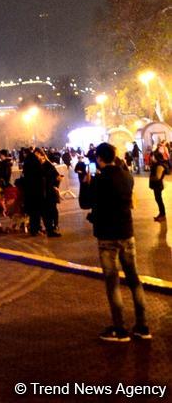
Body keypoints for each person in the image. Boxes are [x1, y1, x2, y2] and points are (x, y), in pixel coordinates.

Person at [78, 141, 151, 343]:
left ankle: (119, 329)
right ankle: (143, 326)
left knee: (112, 282)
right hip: (127, 232)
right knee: (134, 279)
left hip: (107, 236)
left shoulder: (100, 181)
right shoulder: (127, 176)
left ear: (99, 159)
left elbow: (85, 203)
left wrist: (86, 183)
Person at [22, 147, 46, 236]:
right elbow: (40, 174)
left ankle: (34, 229)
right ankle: (36, 229)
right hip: (36, 190)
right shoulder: (35, 161)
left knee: (33, 212)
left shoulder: (28, 160)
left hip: (30, 190)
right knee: (36, 211)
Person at [149, 150, 167, 222]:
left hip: (158, 186)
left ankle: (162, 215)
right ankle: (161, 214)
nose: (152, 157)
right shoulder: (157, 164)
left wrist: (151, 178)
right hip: (157, 186)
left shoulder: (160, 165)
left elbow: (157, 177)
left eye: (154, 156)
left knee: (159, 200)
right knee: (158, 199)